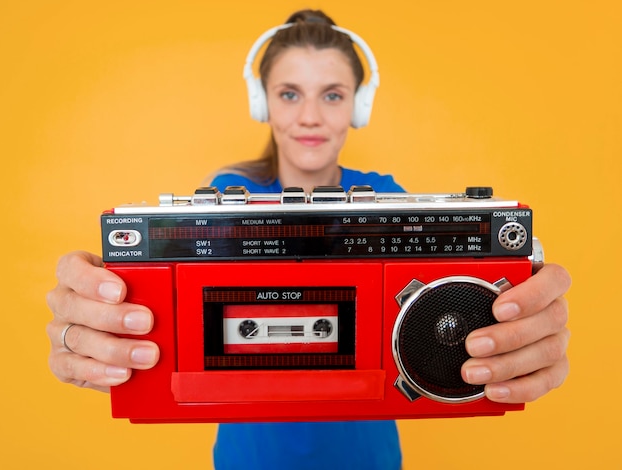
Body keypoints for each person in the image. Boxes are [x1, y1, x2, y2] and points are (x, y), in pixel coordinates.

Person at [46, 9, 571, 470]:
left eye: (333, 95)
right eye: (290, 93)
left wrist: (522, 289)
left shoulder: (392, 203)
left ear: (357, 106)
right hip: (251, 461)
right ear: (263, 103)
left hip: (367, 458)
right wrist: (98, 316)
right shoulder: (226, 199)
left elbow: (461, 278)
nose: (311, 116)